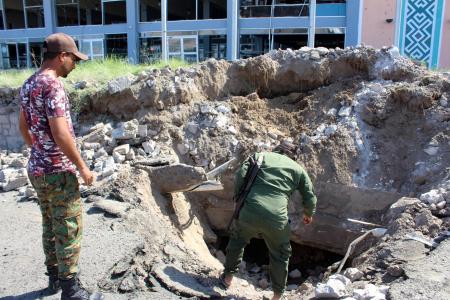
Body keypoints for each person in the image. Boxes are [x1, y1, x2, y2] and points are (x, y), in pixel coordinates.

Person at [18, 33, 103, 300]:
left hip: (38, 170)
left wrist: (40, 151)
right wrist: (82, 167)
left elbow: (23, 126)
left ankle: (54, 279)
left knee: (50, 224)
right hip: (58, 171)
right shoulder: (52, 85)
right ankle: (72, 290)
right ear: (62, 56)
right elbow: (61, 133)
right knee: (68, 226)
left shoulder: (29, 83)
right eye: (74, 59)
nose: (75, 65)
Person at [221, 141, 317, 300]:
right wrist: (308, 214)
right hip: (276, 218)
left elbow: (240, 175)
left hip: (250, 209)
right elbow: (310, 196)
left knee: (238, 240)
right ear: (293, 156)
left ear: (277, 149)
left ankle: (227, 279)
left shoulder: (259, 156)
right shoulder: (298, 169)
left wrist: (239, 198)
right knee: (280, 254)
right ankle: (277, 295)